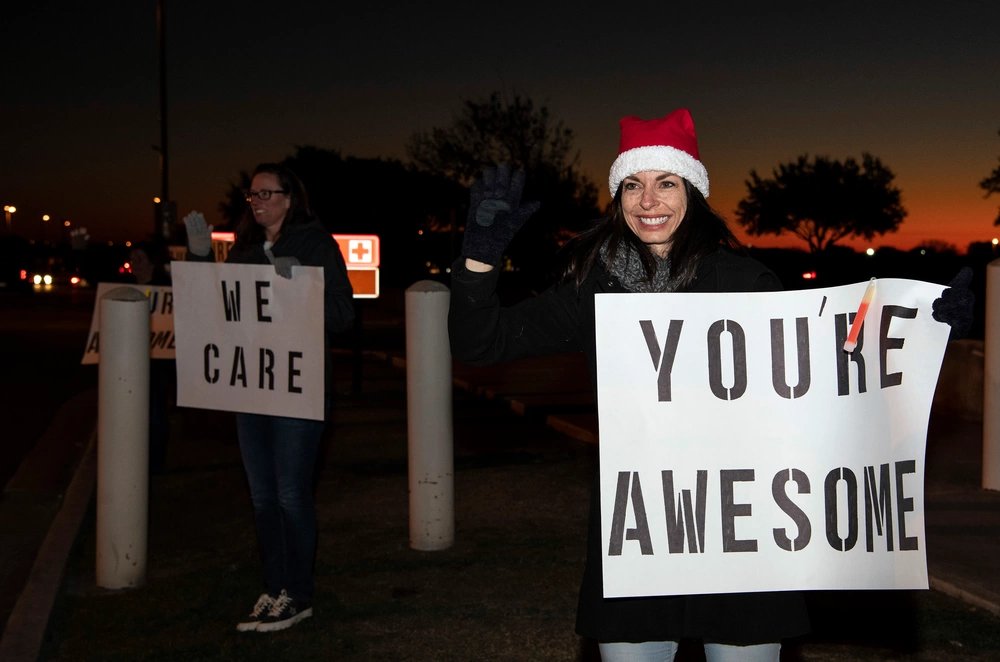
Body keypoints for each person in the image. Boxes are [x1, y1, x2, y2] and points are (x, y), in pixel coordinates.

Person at [447, 109, 973, 661]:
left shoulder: (745, 282)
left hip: (742, 533)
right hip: (642, 536)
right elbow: (481, 343)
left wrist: (922, 326)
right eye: (633, 185)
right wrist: (480, 259)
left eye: (665, 183)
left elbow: (830, 367)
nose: (648, 201)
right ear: (618, 197)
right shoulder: (591, 288)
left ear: (691, 192)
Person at [183, 162, 355, 633]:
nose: (256, 202)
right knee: (262, 497)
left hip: (297, 391)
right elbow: (215, 310)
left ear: (289, 199)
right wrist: (201, 261)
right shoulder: (241, 251)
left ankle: (297, 595)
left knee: (290, 494)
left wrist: (300, 283)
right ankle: (274, 587)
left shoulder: (316, 245)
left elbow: (343, 315)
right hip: (252, 390)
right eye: (251, 196)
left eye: (265, 194)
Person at [128, 238, 173, 475]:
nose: (135, 264)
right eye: (132, 259)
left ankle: (154, 465)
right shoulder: (124, 288)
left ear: (152, 263)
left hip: (157, 367)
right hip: (129, 365)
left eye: (140, 259)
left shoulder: (164, 290)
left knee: (155, 414)